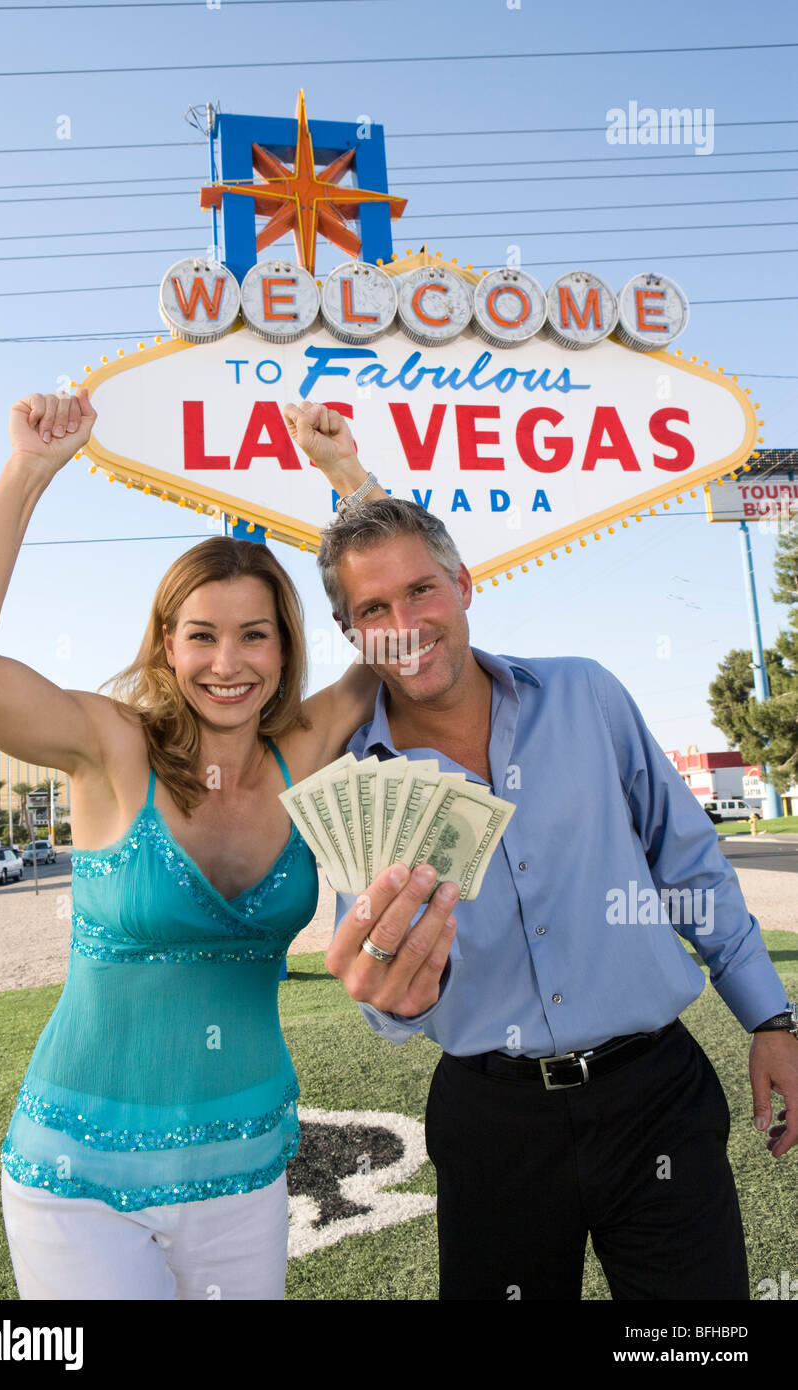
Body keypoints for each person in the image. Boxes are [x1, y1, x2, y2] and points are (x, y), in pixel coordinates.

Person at [282, 400, 798, 1302]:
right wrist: (391, 999)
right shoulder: (357, 779)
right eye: (372, 609)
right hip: (492, 1119)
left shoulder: (587, 697)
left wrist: (770, 1018)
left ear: (465, 584)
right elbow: (384, 997)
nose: (404, 622)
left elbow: (690, 869)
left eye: (421, 591)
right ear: (355, 638)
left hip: (657, 1098)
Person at [0, 388, 392, 1301]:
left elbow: (403, 627)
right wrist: (29, 470)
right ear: (167, 647)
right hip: (78, 1181)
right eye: (203, 637)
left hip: (249, 1168)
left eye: (254, 636)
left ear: (284, 644)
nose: (229, 663)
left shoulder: (304, 749)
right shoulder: (110, 747)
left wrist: (347, 479)